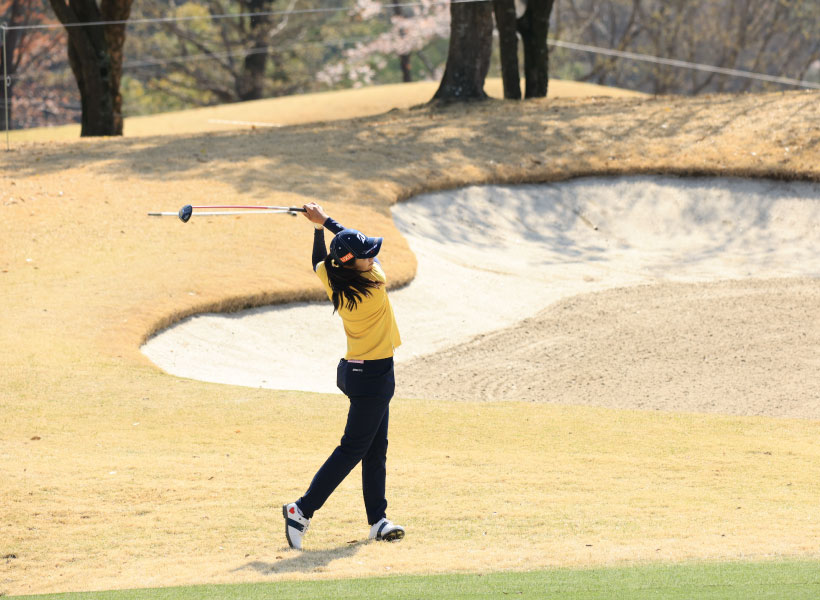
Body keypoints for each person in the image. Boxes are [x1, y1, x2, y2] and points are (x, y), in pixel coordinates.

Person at [282, 202, 405, 550]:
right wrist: (326, 222)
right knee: (353, 449)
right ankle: (301, 509)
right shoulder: (374, 284)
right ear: (354, 264)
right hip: (374, 377)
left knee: (375, 448)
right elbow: (341, 254)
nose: (372, 256)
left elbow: (319, 262)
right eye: (366, 255)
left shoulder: (335, 278)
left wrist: (317, 228)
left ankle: (378, 520)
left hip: (359, 373)